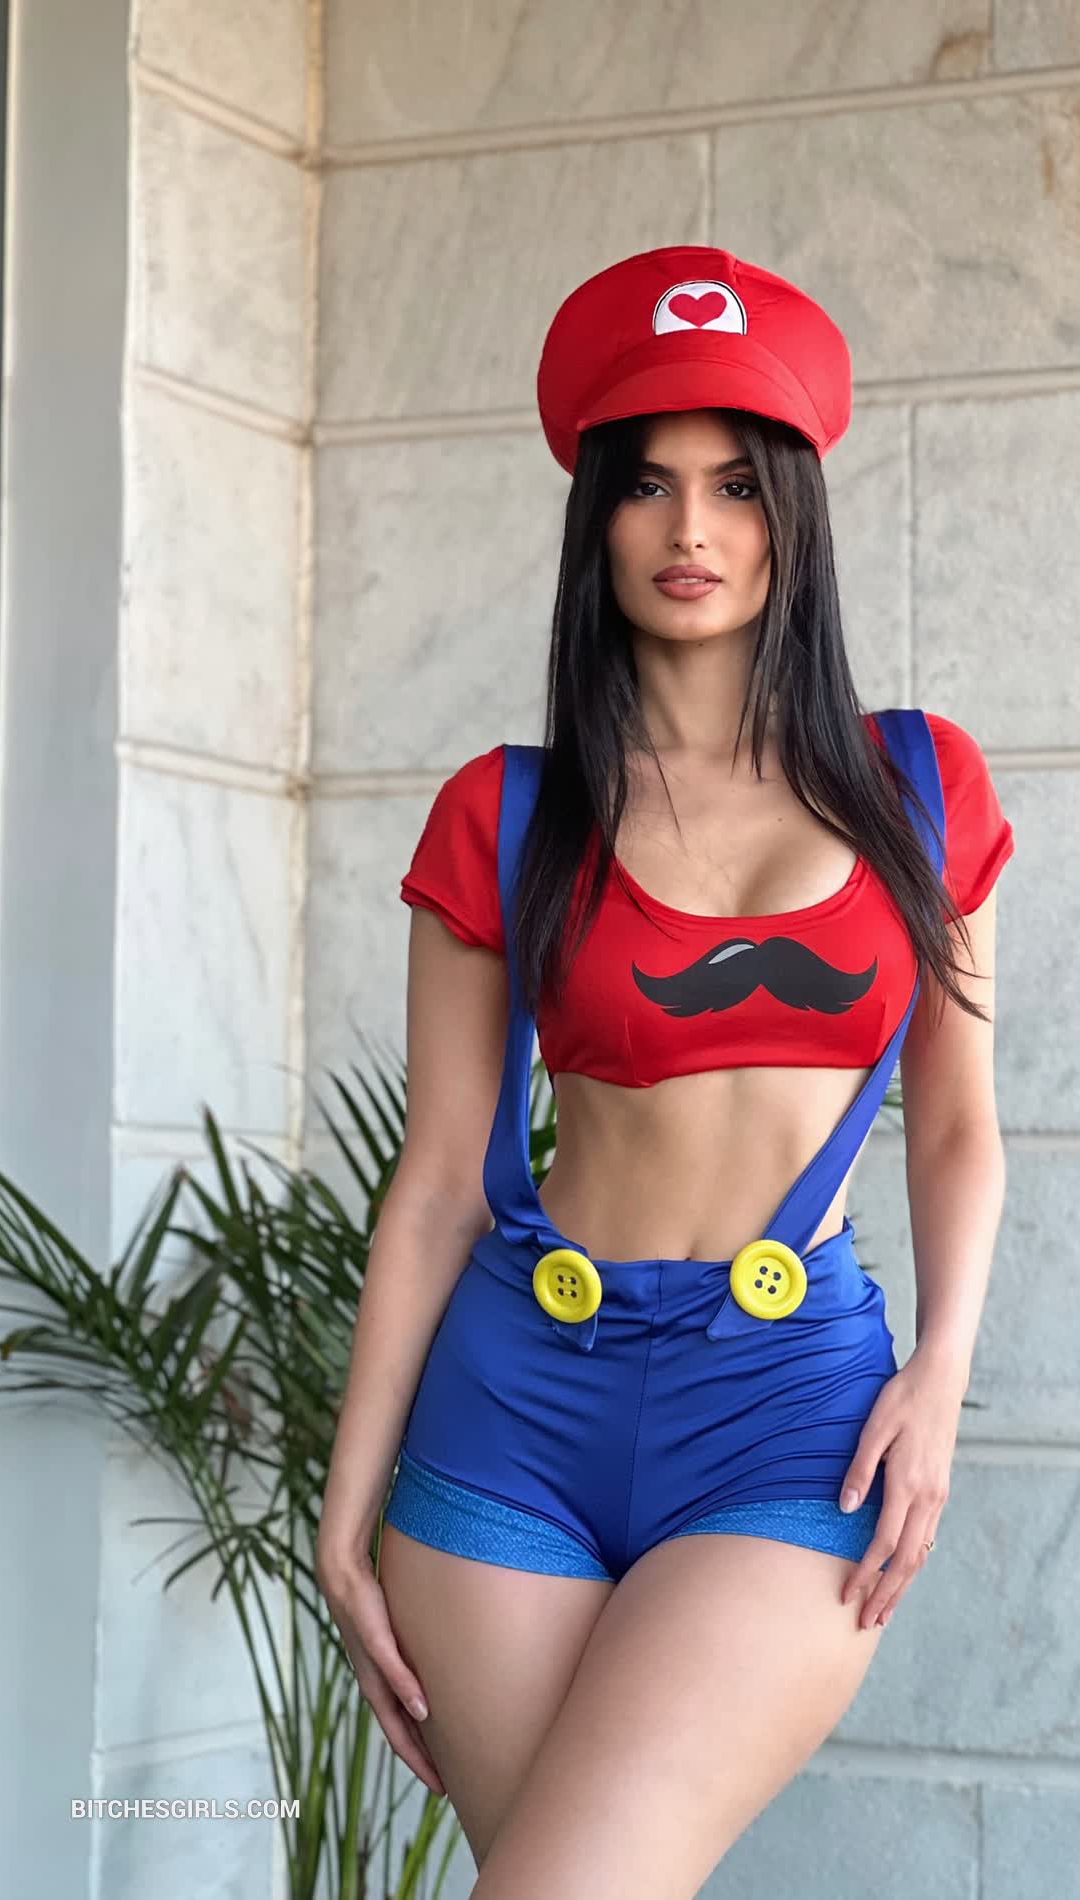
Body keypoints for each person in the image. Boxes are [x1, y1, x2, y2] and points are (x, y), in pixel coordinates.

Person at [317, 244, 1015, 1899]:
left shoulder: (919, 786)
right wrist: (343, 1514)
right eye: (645, 484)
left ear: (791, 518)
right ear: (598, 522)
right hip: (511, 1410)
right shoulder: (504, 812)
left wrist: (941, 1372)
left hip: (786, 1416)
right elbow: (438, 1180)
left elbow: (957, 1126)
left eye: (734, 485)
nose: (689, 528)